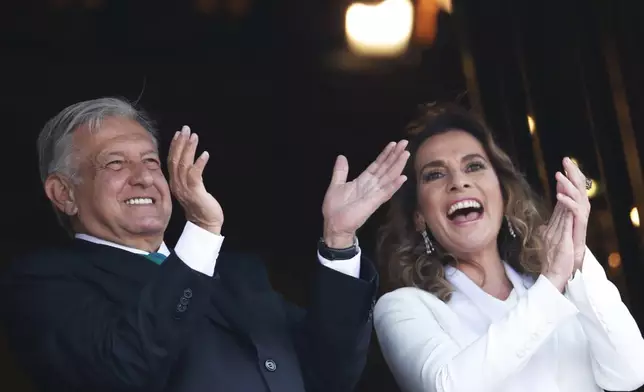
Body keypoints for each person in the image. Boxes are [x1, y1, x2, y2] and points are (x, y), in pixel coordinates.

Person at [0, 97, 410, 392]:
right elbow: (123, 370)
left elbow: (331, 376)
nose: (143, 177)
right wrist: (200, 230)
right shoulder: (42, 283)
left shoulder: (233, 271)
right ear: (63, 193)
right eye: (114, 163)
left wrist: (338, 242)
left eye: (149, 160)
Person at [373, 103, 644, 392]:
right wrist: (551, 285)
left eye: (474, 166)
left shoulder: (565, 286)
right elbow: (448, 387)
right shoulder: (404, 307)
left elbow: (631, 371)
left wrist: (577, 262)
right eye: (435, 174)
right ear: (419, 216)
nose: (459, 181)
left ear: (503, 194)